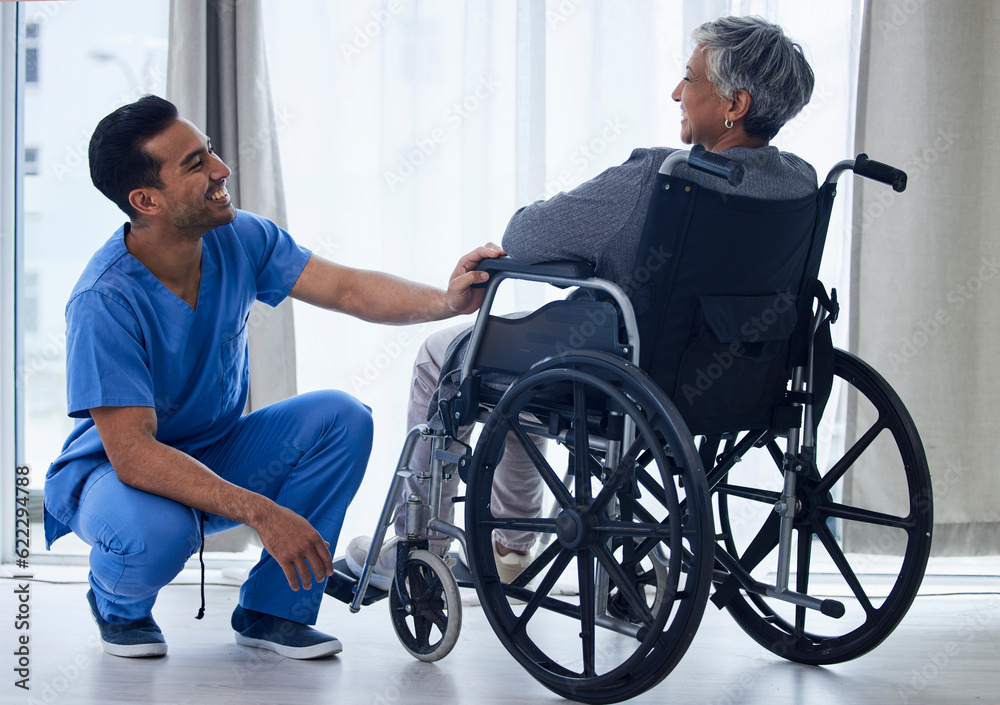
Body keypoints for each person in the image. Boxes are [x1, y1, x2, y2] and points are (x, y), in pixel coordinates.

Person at [346, 15, 818, 589]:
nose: (676, 91)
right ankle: (507, 547)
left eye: (689, 78)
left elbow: (525, 237)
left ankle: (421, 543)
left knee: (444, 355)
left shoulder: (661, 176)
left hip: (631, 375)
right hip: (737, 381)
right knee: (526, 371)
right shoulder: (799, 184)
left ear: (734, 104)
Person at [42, 95, 503, 660]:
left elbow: (347, 289)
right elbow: (134, 454)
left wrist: (447, 301)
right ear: (146, 200)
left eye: (208, 150)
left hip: (218, 450)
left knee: (341, 418)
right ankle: (117, 603)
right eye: (195, 164)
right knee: (155, 534)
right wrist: (263, 513)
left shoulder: (238, 238)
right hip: (121, 476)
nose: (221, 169)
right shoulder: (102, 301)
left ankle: (272, 611)